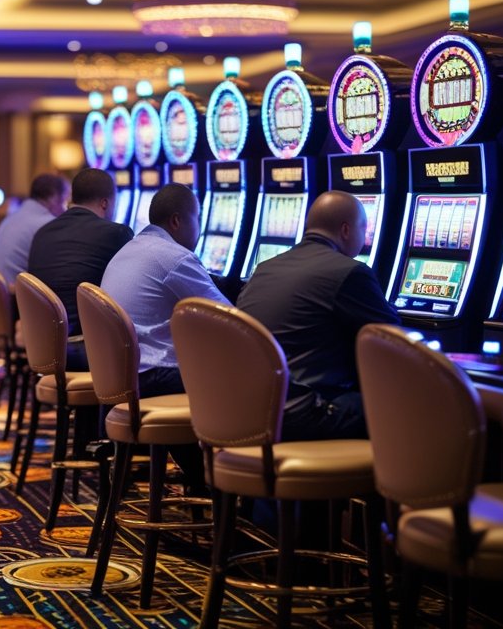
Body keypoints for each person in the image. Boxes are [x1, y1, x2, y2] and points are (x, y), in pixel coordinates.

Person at [237, 190, 401, 441]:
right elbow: (394, 339)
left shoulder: (264, 269)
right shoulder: (349, 272)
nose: (366, 238)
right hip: (304, 414)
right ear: (346, 230)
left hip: (251, 409)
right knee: (407, 402)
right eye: (364, 229)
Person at [100, 183, 224, 492]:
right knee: (242, 384)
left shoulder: (128, 249)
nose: (201, 228)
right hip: (153, 377)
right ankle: (223, 487)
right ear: (178, 221)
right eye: (198, 218)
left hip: (122, 378)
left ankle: (206, 482)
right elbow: (229, 320)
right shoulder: (175, 258)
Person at [27, 168, 132, 369]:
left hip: (43, 346)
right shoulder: (116, 234)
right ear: (105, 203)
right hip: (88, 350)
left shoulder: (43, 233)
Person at [0, 173, 69, 284]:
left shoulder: (10, 218)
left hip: (1, 293)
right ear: (54, 198)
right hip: (18, 296)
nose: (66, 209)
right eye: (65, 201)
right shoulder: (48, 225)